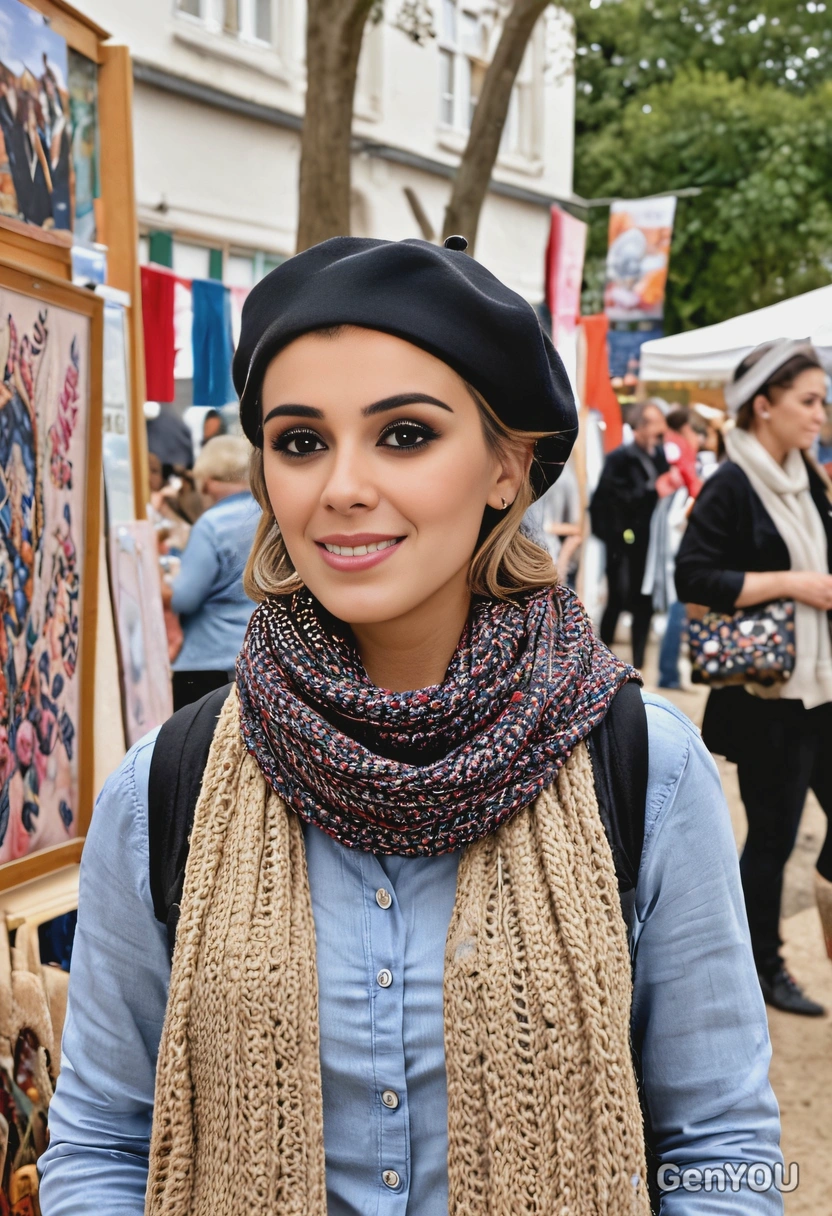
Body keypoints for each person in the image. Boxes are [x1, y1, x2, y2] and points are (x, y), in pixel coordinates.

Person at [41, 237, 783, 1214]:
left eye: (404, 435)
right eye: (301, 441)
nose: (341, 485)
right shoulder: (167, 783)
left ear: (508, 468)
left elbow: (720, 1141)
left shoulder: (641, 763)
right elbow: (101, 1134)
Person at [675, 338, 832, 1017]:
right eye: (809, 400)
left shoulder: (808, 478)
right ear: (762, 406)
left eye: (823, 400)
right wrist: (795, 582)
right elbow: (693, 577)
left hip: (823, 683)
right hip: (769, 692)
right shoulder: (733, 483)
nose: (821, 413)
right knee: (771, 837)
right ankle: (759, 966)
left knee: (783, 835)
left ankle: (810, 905)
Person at [165, 435, 259, 711]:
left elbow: (185, 598)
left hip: (206, 663)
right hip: (259, 657)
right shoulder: (271, 518)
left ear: (206, 480)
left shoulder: (212, 525)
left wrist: (162, 584)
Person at [590, 401, 671, 668]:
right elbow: (609, 501)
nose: (660, 428)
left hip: (651, 545)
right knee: (617, 597)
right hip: (623, 544)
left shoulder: (659, 456)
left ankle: (639, 662)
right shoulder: (620, 458)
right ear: (640, 427)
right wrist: (652, 490)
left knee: (644, 604)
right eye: (654, 421)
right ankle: (601, 660)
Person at [656, 407, 703, 689]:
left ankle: (669, 671)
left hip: (675, 544)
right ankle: (668, 672)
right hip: (678, 546)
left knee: (678, 607)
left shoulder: (674, 452)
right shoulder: (679, 454)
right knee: (678, 607)